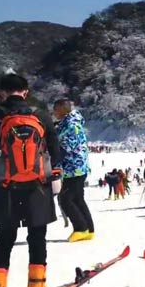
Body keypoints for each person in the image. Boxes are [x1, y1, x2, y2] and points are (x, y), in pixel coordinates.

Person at [0, 74, 63, 287]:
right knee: (37, 237)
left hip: (3, 187)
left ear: (2, 92)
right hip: (38, 186)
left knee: (3, 239)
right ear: (25, 92)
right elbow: (56, 148)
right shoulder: (40, 115)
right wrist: (54, 173)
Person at [53, 99, 94, 243]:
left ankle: (80, 228)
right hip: (75, 167)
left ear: (63, 109)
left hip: (74, 168)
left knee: (65, 199)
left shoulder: (72, 125)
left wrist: (53, 160)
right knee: (77, 198)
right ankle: (89, 230)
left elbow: (66, 147)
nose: (54, 112)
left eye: (56, 109)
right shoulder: (67, 122)